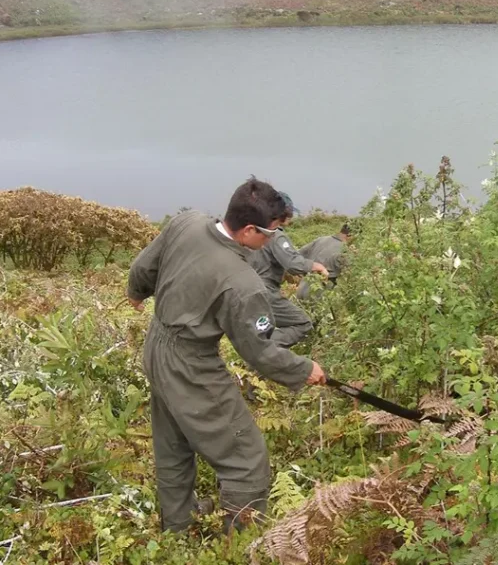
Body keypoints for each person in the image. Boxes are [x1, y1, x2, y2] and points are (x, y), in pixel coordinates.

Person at [126, 177, 327, 535]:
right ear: (249, 230)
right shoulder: (243, 283)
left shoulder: (186, 222)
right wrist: (303, 369)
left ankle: (177, 526)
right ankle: (237, 542)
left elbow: (144, 267)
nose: (271, 240)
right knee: (247, 460)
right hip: (191, 366)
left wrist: (136, 293)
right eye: (271, 232)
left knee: (173, 445)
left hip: (156, 346)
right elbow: (259, 351)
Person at [247, 192, 328, 347]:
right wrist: (316, 266)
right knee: (303, 324)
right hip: (266, 292)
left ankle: (258, 350)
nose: (291, 217)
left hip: (249, 289)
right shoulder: (275, 235)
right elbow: (292, 263)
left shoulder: (253, 232)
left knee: (262, 327)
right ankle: (260, 348)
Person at [296, 223, 353, 301]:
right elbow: (351, 275)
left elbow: (296, 255)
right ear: (350, 235)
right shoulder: (344, 250)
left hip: (302, 287)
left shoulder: (321, 239)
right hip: (319, 293)